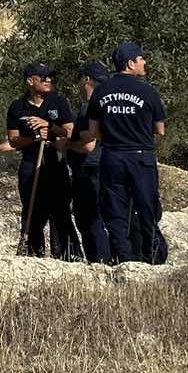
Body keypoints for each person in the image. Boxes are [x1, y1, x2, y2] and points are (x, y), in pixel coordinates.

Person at [84, 42, 167, 265]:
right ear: (131, 63)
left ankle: (125, 261)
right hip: (141, 157)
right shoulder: (148, 91)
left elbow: (93, 132)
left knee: (115, 213)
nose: (144, 62)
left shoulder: (101, 91)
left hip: (112, 156)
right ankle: (151, 260)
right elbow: (160, 130)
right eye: (141, 59)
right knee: (146, 209)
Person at [0, 63, 76, 258]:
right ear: (30, 81)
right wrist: (34, 137)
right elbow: (14, 140)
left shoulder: (58, 101)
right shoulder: (17, 107)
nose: (48, 80)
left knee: (60, 212)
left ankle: (67, 256)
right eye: (43, 77)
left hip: (55, 163)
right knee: (32, 213)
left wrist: (49, 127)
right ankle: (34, 254)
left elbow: (70, 132)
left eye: (49, 77)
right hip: (30, 164)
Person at [66, 62, 111, 264]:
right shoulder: (109, 105)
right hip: (106, 166)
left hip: (88, 168)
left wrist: (66, 145)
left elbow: (88, 146)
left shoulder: (89, 107)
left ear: (86, 80)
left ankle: (99, 262)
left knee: (88, 217)